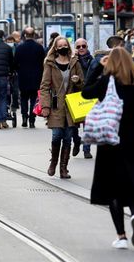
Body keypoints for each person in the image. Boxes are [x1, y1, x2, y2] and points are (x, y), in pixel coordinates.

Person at [82, 47, 134, 250]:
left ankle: (121, 236)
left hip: (110, 140)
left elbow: (85, 91)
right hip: (133, 139)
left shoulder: (107, 82)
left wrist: (98, 68)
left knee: (112, 189)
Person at [40, 36, 84, 179]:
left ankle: (63, 168)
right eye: (60, 46)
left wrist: (77, 81)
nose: (63, 47)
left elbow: (83, 85)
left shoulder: (74, 62)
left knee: (68, 137)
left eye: (65, 45)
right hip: (55, 105)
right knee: (56, 135)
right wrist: (45, 106)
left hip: (71, 105)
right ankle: (53, 162)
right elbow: (45, 86)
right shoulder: (50, 63)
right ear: (56, 48)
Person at [14, 27, 45, 128]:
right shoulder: (39, 48)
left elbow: (15, 63)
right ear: (34, 35)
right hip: (36, 77)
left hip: (23, 77)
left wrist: (18, 71)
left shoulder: (19, 48)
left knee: (23, 98)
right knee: (33, 99)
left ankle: (24, 117)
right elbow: (43, 63)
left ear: (25, 35)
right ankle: (32, 120)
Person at [73, 38, 93, 159]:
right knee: (73, 126)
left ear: (87, 47)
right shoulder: (72, 60)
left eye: (83, 46)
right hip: (74, 95)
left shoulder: (92, 60)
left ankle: (86, 149)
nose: (81, 48)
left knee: (88, 125)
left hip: (88, 95)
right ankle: (76, 141)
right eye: (78, 46)